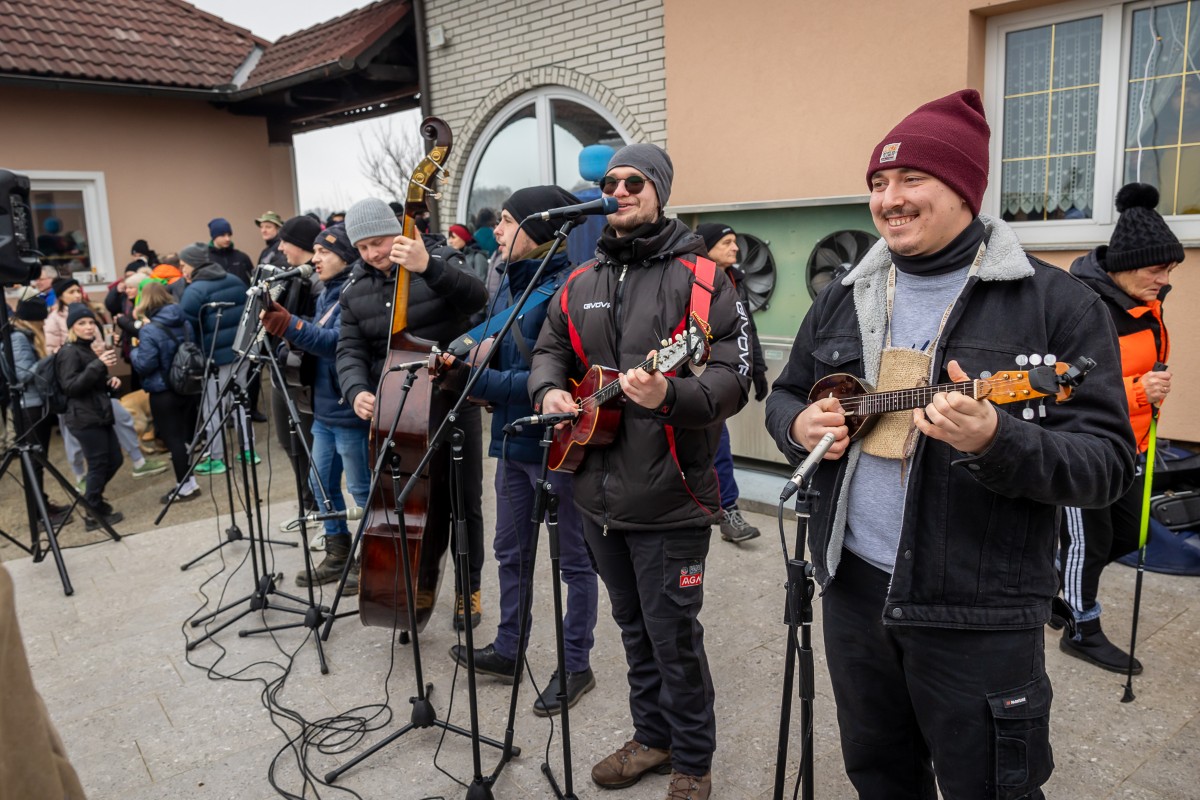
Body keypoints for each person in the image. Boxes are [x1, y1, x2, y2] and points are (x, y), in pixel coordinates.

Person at [764, 89, 1135, 800]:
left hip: (979, 610)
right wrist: (796, 426)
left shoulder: (1057, 306)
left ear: (965, 189)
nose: (890, 199)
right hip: (854, 593)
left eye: (912, 180)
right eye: (878, 183)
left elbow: (1107, 464)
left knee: (990, 789)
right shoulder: (845, 294)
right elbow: (788, 392)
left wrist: (1001, 440)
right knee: (880, 778)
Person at [528, 143, 749, 799]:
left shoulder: (704, 279)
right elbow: (548, 348)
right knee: (632, 629)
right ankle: (653, 738)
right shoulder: (579, 281)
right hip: (593, 493)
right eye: (609, 182)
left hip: (673, 496)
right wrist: (549, 393)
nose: (618, 190)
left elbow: (735, 376)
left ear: (659, 191)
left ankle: (693, 763)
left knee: (672, 635)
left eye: (633, 181)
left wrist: (670, 395)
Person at [445, 186, 600, 716]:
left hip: (560, 448)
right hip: (513, 441)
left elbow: (566, 380)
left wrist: (481, 383)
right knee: (512, 552)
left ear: (537, 229)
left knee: (574, 563)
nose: (498, 231)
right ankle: (510, 648)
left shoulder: (570, 288)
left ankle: (576, 664)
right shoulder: (511, 286)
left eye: (509, 221)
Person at [337, 197, 489, 630]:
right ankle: (417, 583)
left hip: (452, 403)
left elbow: (477, 297)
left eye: (379, 242)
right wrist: (356, 391)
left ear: (399, 231)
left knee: (464, 502)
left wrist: (427, 267)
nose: (373, 254)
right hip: (399, 414)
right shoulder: (355, 290)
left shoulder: (439, 258)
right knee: (414, 506)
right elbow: (348, 350)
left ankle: (468, 588)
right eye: (363, 248)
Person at [1056, 182, 1184, 674]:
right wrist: (1137, 392)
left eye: (1170, 268)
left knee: (1127, 536)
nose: (1165, 278)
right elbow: (1061, 384)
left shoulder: (1146, 304)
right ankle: (1080, 628)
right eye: (1158, 268)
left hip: (1130, 445)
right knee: (1088, 543)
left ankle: (1055, 586)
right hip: (1082, 444)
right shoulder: (1086, 306)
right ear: (1129, 264)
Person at [261, 223, 366, 592]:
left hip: (349, 411)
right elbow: (316, 330)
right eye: (316, 251)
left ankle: (371, 560)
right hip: (322, 409)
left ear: (346, 256)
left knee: (362, 489)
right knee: (319, 484)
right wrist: (289, 330)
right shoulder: (326, 292)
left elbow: (336, 343)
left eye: (324, 252)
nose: (316, 258)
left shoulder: (357, 291)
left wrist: (289, 326)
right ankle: (338, 553)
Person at [45, 278, 169, 484]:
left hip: (98, 380)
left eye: (78, 290)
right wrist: (83, 356)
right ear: (60, 296)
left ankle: (138, 461)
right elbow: (52, 353)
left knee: (122, 417)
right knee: (73, 438)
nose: (77, 295)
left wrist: (103, 354)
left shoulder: (90, 310)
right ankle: (80, 477)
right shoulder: (54, 319)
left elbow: (98, 342)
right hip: (74, 389)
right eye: (71, 292)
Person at [695, 222, 768, 544]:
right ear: (706, 247)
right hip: (684, 380)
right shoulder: (690, 279)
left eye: (735, 241)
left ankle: (725, 509)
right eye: (726, 242)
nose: (735, 248)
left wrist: (759, 369)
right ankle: (717, 508)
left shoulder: (734, 280)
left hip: (720, 378)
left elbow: (746, 329)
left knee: (717, 442)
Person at [265, 215, 323, 510]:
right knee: (289, 443)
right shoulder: (290, 275)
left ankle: (322, 512)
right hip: (282, 371)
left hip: (306, 376)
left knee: (311, 446)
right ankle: (307, 504)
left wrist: (286, 325)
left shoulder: (319, 280)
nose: (282, 247)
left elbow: (320, 328)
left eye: (286, 241)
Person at [179, 242, 251, 476]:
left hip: (215, 360)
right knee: (241, 401)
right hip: (241, 354)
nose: (182, 271)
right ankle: (248, 451)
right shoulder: (234, 279)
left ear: (194, 264)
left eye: (183, 265)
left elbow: (185, 326)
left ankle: (217, 458)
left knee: (214, 409)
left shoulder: (194, 291)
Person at [128, 282, 201, 503]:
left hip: (164, 392)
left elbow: (145, 365)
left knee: (174, 440)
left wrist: (134, 351)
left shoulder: (149, 330)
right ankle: (191, 481)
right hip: (187, 387)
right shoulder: (185, 322)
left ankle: (185, 487)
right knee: (186, 438)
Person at [56, 304, 126, 530]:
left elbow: (91, 383)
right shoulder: (69, 351)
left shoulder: (86, 349)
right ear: (72, 328)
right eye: (81, 323)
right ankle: (93, 511)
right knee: (98, 464)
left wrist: (109, 384)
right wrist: (99, 364)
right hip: (84, 418)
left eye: (90, 323)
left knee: (115, 459)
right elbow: (71, 387)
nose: (88, 327)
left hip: (98, 413)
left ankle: (92, 500)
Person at [5, 298, 71, 526]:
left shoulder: (22, 336)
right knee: (34, 462)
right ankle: (40, 514)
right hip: (28, 406)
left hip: (33, 404)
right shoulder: (18, 339)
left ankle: (43, 506)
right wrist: (50, 359)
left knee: (37, 461)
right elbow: (21, 376)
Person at [206, 218, 254, 286]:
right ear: (214, 237)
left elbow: (255, 280)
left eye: (229, 235)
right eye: (223, 235)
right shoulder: (206, 259)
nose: (227, 239)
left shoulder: (242, 257)